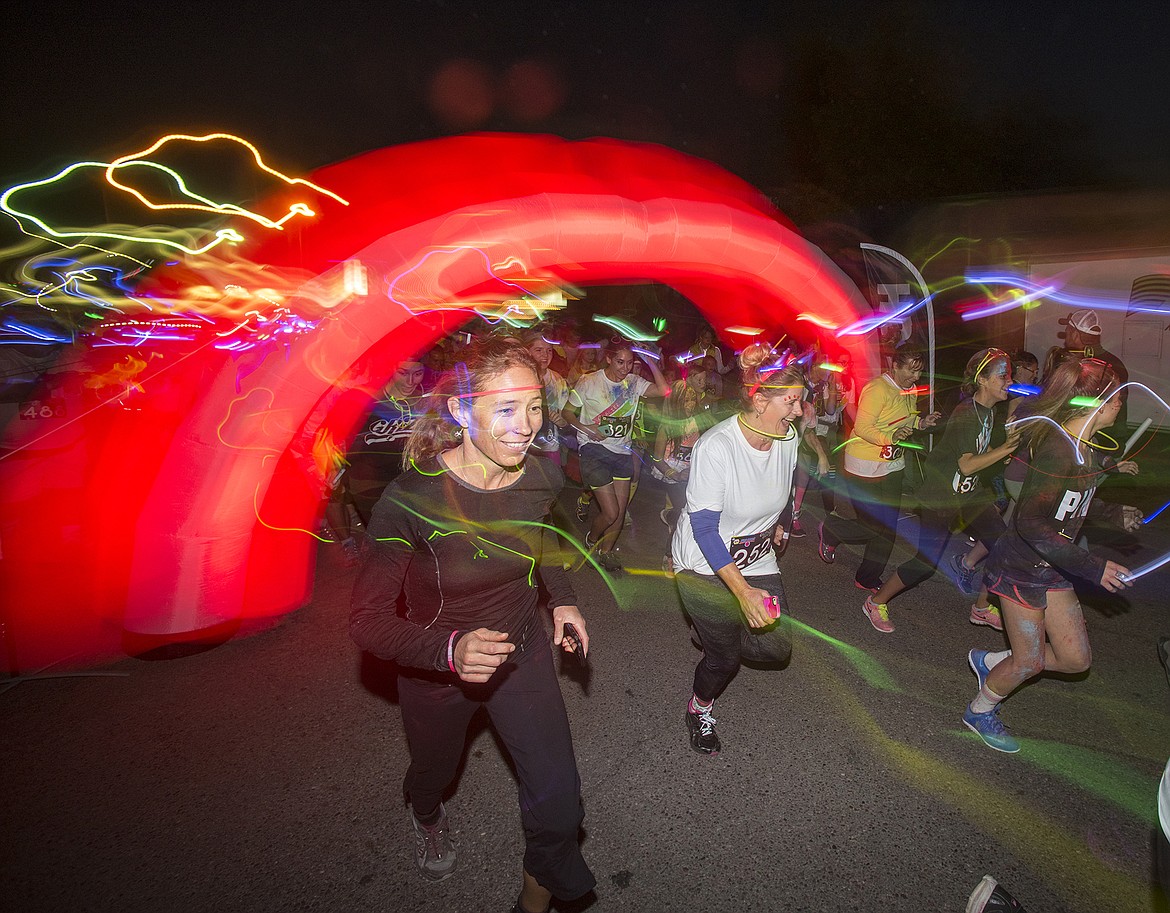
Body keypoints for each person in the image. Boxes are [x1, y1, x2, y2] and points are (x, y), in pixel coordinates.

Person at [349, 338, 595, 913]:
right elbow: (365, 621)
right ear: (461, 411)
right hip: (437, 670)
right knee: (433, 773)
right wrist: (450, 652)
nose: (526, 425)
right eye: (506, 409)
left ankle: (531, 905)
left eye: (534, 407)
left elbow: (552, 545)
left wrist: (562, 601)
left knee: (560, 806)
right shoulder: (410, 499)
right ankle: (427, 813)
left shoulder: (539, 478)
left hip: (521, 652)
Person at [963, 357, 1142, 753]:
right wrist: (1093, 566)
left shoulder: (1088, 448)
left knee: (1076, 659)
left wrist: (1115, 514)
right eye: (1117, 398)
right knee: (1030, 663)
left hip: (1053, 567)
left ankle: (993, 662)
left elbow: (1076, 503)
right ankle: (979, 711)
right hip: (1022, 569)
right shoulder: (1060, 452)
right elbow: (1030, 522)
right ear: (1098, 403)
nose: (1120, 406)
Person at [671, 344, 804, 754]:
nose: (799, 412)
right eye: (792, 402)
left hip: (757, 554)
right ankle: (699, 708)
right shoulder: (718, 446)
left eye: (801, 402)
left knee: (776, 646)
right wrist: (743, 593)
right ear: (760, 399)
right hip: (704, 563)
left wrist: (781, 524)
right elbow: (706, 529)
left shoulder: (787, 437)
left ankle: (714, 634)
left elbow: (782, 487)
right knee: (724, 661)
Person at [860, 349, 1022, 633]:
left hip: (969, 493)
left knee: (1002, 542)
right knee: (925, 564)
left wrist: (1005, 449)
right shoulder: (966, 413)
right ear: (982, 380)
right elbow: (968, 465)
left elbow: (984, 456)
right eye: (1002, 375)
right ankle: (876, 601)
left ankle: (982, 607)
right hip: (941, 497)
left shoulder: (990, 411)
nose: (1008, 381)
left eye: (1008, 375)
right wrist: (1005, 449)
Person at [817, 344, 941, 604]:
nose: (915, 377)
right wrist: (889, 437)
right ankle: (832, 529)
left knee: (888, 528)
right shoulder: (877, 389)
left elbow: (904, 419)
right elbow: (862, 427)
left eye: (919, 372)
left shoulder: (908, 390)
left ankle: (867, 577)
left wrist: (920, 423)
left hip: (893, 466)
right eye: (911, 370)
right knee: (874, 527)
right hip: (864, 466)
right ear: (894, 366)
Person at [563, 338, 669, 571]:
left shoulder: (634, 382)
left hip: (622, 450)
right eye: (620, 362)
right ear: (608, 359)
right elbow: (568, 412)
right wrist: (586, 428)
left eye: (630, 363)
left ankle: (606, 552)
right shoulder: (588, 382)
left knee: (619, 512)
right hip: (593, 449)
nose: (625, 368)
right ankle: (591, 539)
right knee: (610, 512)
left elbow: (663, 390)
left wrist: (651, 362)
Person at [651, 378, 705, 576]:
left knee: (691, 513)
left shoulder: (697, 422)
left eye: (693, 400)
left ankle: (670, 515)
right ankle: (669, 556)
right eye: (686, 400)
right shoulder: (667, 426)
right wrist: (675, 474)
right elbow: (656, 459)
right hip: (672, 474)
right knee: (683, 514)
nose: (691, 404)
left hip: (690, 474)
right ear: (676, 403)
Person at [1060, 308, 1129, 428]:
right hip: (1111, 437)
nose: (1065, 335)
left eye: (1067, 330)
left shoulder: (1078, 366)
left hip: (1086, 438)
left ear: (1075, 335)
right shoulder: (1116, 364)